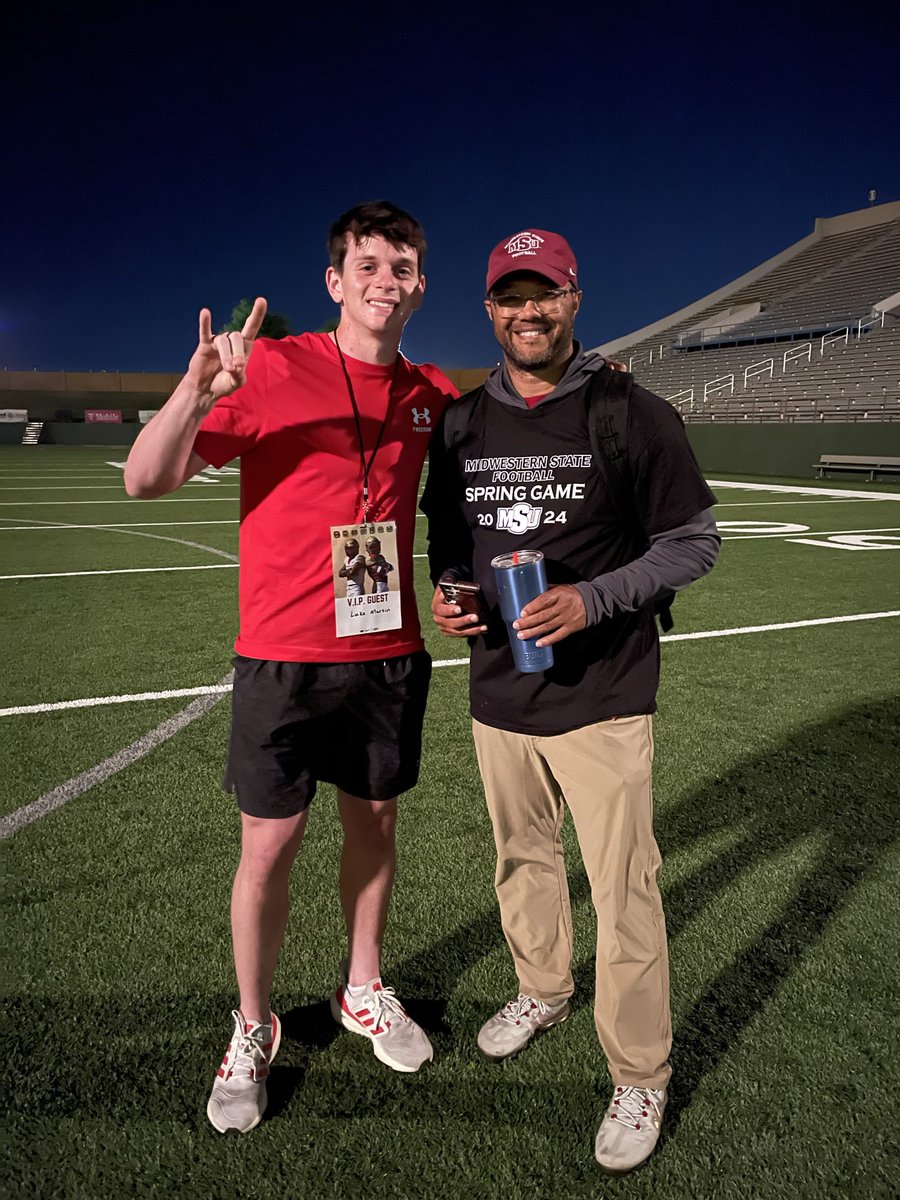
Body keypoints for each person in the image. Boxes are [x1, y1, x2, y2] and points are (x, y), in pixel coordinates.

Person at [124, 201, 458, 1134]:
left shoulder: (430, 392)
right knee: (266, 850)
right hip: (282, 656)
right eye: (368, 264)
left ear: (420, 285)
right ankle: (253, 1021)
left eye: (402, 266)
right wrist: (194, 389)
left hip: (387, 655)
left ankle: (361, 988)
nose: (384, 280)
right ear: (334, 281)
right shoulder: (269, 366)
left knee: (377, 825)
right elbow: (143, 480)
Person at [422, 229, 720, 1175]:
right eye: (511, 297)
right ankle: (542, 987)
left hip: (604, 697)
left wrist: (593, 598)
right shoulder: (463, 425)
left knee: (624, 892)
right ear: (489, 311)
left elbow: (693, 542)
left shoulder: (631, 412)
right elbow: (447, 537)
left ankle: (642, 1071)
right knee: (521, 859)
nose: (529, 311)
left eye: (544, 293)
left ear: (574, 298)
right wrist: (447, 592)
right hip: (499, 695)